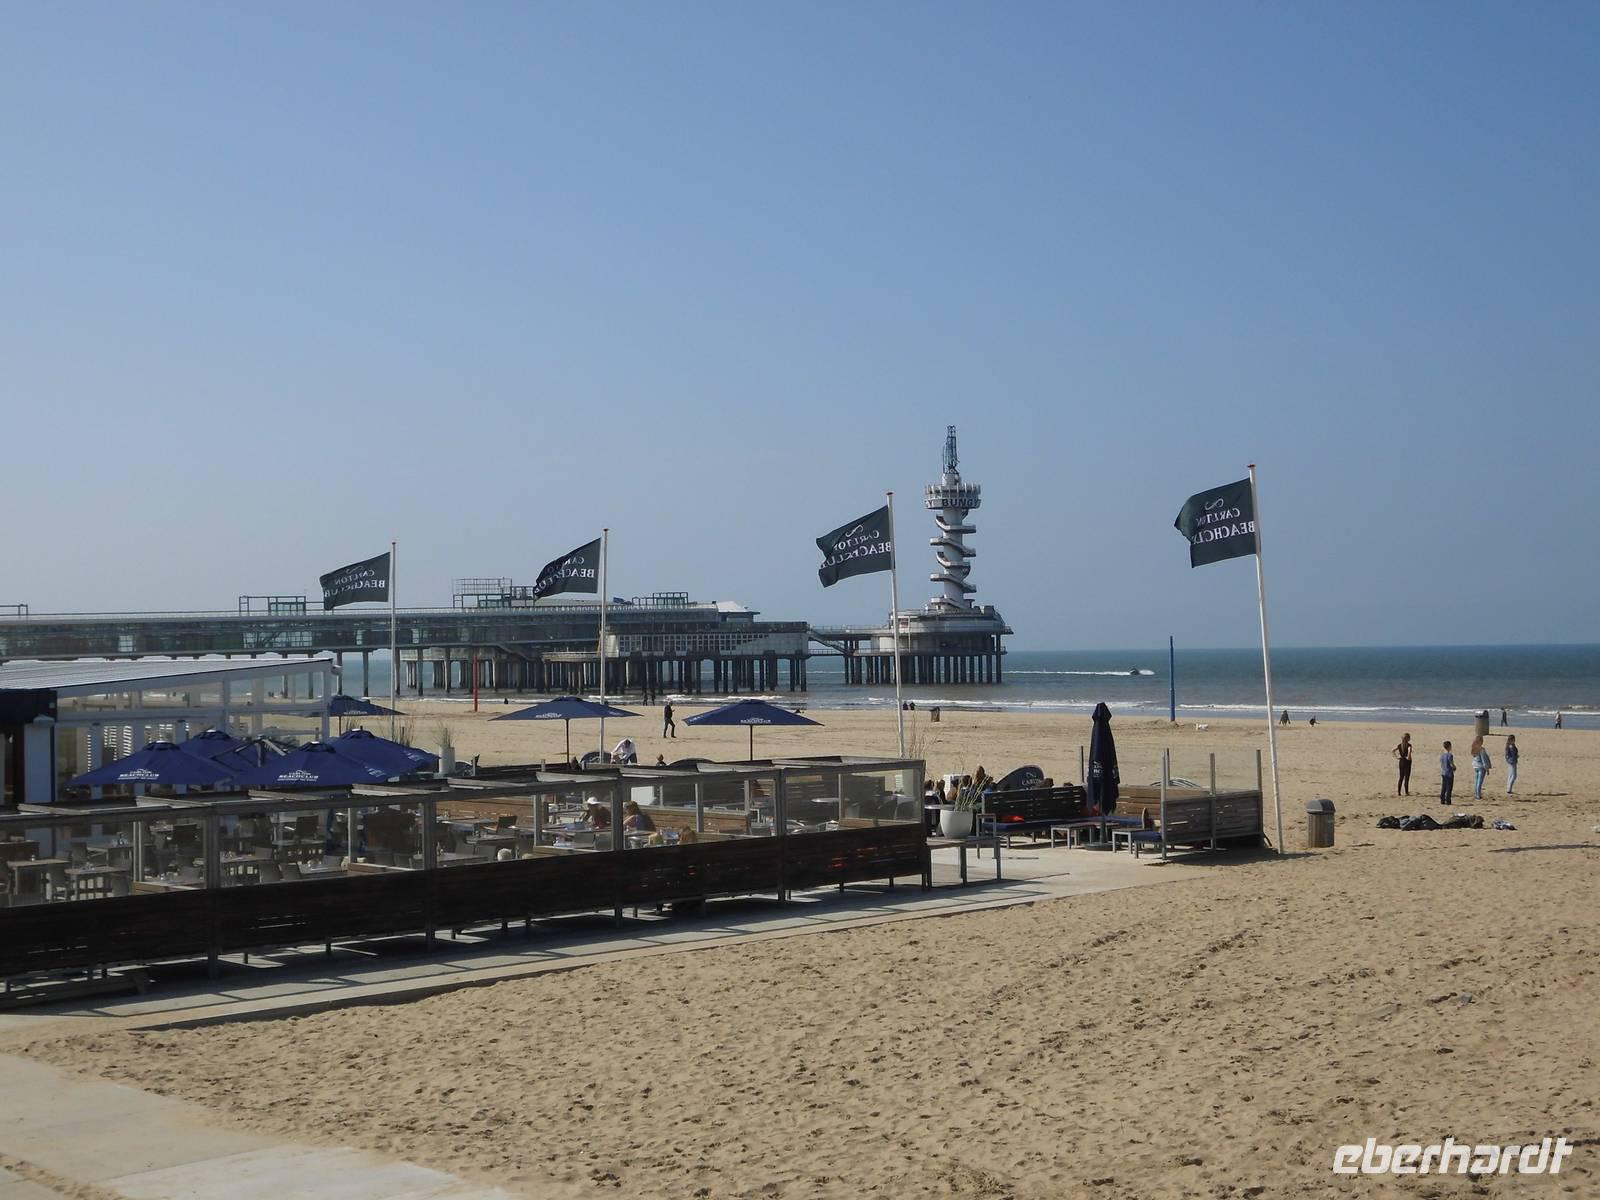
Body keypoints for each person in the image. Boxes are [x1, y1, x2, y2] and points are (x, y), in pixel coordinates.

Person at [1470, 735, 1492, 800]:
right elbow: (1484, 760)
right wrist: (1487, 769)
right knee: (1479, 782)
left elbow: (1474, 758)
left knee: (1476, 781)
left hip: (1475, 766)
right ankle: (1478, 796)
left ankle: (1476, 794)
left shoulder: (1473, 748)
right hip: (1481, 767)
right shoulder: (1481, 749)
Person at [1393, 732, 1413, 797]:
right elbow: (1409, 751)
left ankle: (1399, 792)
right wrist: (1409, 757)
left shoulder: (1399, 745)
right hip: (1407, 762)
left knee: (1401, 777)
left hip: (1401, 761)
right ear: (1408, 739)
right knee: (1407, 777)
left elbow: (1393, 750)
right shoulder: (1409, 745)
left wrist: (1397, 757)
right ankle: (1406, 792)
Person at [1439, 740, 1456, 806]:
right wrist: (1454, 767)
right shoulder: (1450, 755)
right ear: (1449, 747)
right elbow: (1451, 764)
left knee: (1443, 787)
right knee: (1449, 787)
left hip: (1443, 772)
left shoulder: (1442, 755)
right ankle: (1448, 800)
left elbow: (1442, 764)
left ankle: (1442, 799)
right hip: (1449, 773)